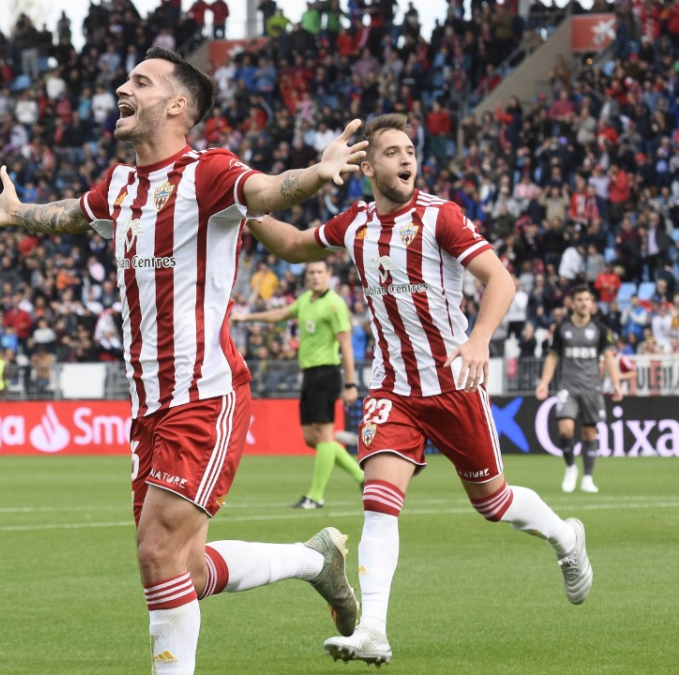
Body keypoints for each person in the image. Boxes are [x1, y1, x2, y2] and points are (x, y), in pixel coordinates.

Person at [0, 47, 366, 674]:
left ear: (177, 105)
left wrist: (318, 173)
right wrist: (17, 214)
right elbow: (73, 215)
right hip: (148, 408)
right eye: (126, 78)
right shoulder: (119, 185)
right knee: (183, 567)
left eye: (140, 81)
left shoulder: (209, 173)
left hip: (204, 394)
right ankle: (316, 562)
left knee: (156, 554)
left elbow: (266, 192)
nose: (123, 88)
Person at [246, 114, 592, 666]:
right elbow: (292, 245)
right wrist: (247, 210)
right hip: (391, 390)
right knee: (379, 504)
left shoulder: (440, 217)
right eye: (391, 152)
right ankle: (374, 631)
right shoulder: (353, 225)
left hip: (454, 384)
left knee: (495, 504)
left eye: (410, 150)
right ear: (367, 166)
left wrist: (479, 339)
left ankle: (564, 537)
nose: (406, 159)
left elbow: (500, 279)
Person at [232, 259, 363, 509]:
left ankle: (315, 497)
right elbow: (280, 314)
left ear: (328, 275)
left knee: (323, 436)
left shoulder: (334, 304)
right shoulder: (306, 300)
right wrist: (246, 318)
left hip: (326, 373)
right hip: (310, 375)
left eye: (319, 272)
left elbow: (345, 344)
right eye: (311, 272)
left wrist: (350, 384)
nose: (314, 276)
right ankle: (362, 477)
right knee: (311, 438)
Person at [534, 286, 623, 493]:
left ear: (592, 304)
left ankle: (588, 478)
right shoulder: (563, 329)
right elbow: (553, 357)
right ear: (572, 303)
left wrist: (616, 384)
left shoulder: (601, 329)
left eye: (588, 300)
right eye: (580, 300)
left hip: (592, 388)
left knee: (590, 433)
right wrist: (544, 383)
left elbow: (609, 357)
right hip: (568, 387)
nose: (585, 303)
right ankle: (571, 467)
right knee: (565, 429)